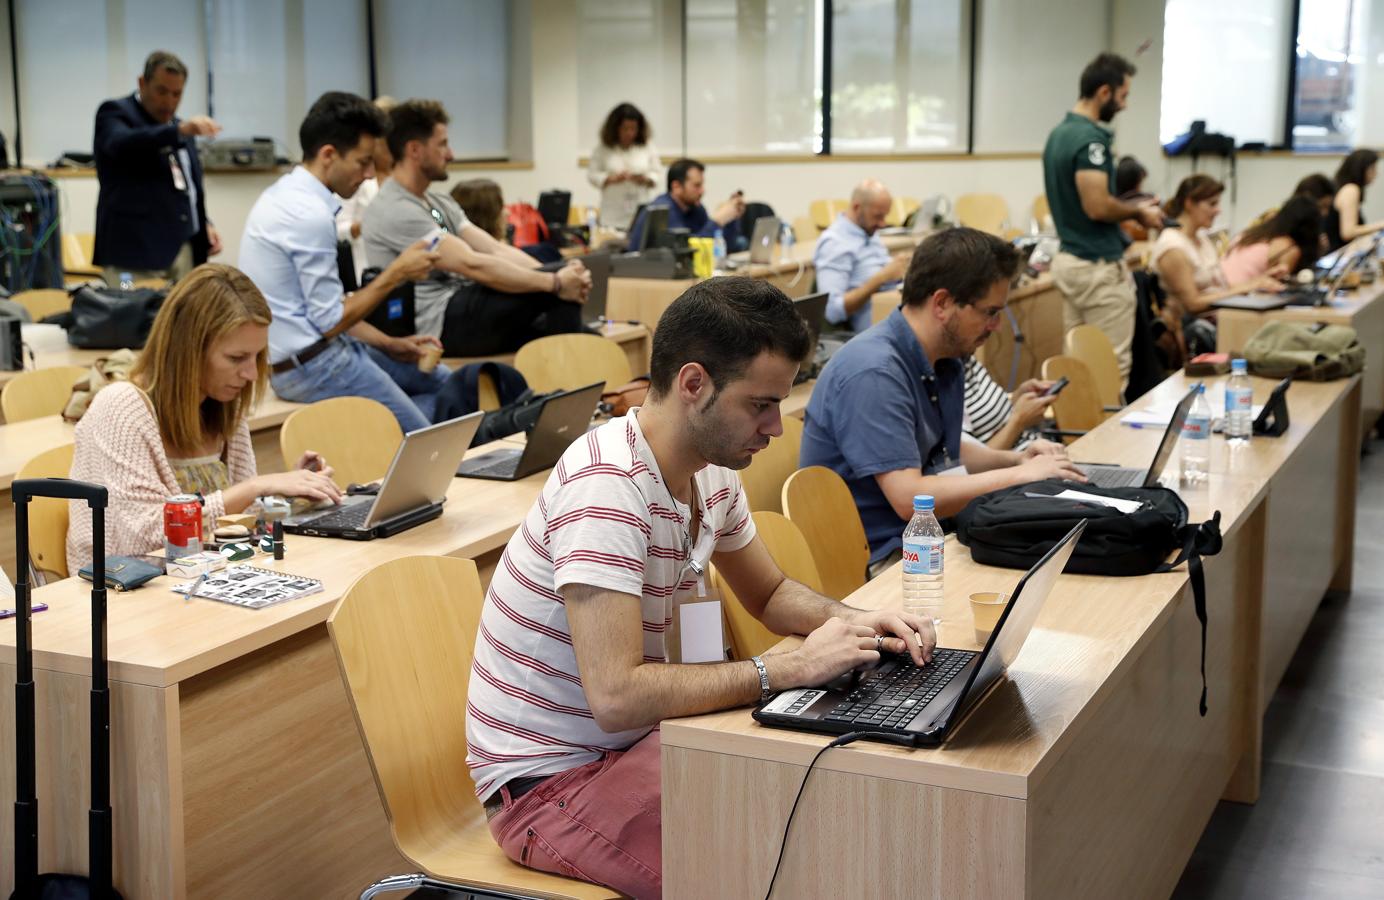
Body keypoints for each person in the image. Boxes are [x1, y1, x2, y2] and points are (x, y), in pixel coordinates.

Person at [465, 276, 937, 898]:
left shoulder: (710, 471)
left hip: (647, 742)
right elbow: (617, 695)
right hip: (553, 785)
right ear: (694, 385)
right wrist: (790, 669)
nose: (775, 425)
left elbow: (767, 594)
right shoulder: (606, 486)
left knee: (830, 811)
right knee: (778, 871)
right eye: (759, 404)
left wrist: (853, 620)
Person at [800, 228, 1084, 573]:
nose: (995, 326)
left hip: (928, 535)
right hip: (883, 557)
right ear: (943, 303)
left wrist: (1014, 459)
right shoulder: (874, 372)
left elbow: (940, 450)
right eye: (989, 312)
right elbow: (909, 499)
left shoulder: (944, 357)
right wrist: (1020, 475)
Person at [65, 265, 342, 572]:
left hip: (202, 579)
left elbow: (236, 522)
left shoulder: (224, 403)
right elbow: (141, 543)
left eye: (256, 356)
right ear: (188, 350)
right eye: (236, 358)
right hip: (127, 591)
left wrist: (290, 498)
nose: (251, 373)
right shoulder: (121, 408)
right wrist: (254, 487)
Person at [238, 92, 444, 433]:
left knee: (440, 381)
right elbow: (329, 320)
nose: (368, 175)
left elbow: (321, 315)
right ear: (328, 155)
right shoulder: (308, 214)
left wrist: (389, 344)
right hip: (313, 366)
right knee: (423, 435)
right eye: (363, 162)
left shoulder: (285, 193)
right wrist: (397, 273)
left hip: (311, 354)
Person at [362, 99, 591, 357]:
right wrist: (554, 282)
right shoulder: (394, 209)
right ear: (414, 150)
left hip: (466, 304)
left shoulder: (438, 202)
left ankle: (573, 382)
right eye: (442, 144)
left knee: (564, 288)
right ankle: (575, 381)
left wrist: (562, 277)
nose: (451, 155)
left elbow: (494, 248)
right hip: (440, 325)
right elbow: (471, 264)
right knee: (558, 288)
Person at [1043, 53, 1163, 388]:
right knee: (1110, 372)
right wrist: (1139, 211)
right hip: (1096, 267)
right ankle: (1106, 441)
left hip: (1071, 261)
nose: (1124, 105)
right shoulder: (1090, 139)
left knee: (1077, 370)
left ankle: (1079, 438)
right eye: (1123, 96)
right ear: (1104, 92)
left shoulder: (1058, 134)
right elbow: (1096, 206)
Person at [93, 50, 222, 285]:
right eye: (162, 91)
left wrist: (204, 222)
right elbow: (121, 143)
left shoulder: (178, 126)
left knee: (184, 321)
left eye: (177, 94)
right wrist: (179, 131)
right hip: (135, 255)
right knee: (134, 322)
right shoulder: (115, 114)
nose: (169, 102)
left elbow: (186, 186)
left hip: (183, 251)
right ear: (143, 83)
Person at [1151, 175, 1285, 319]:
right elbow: (1192, 304)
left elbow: (1221, 290)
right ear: (1189, 203)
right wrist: (1247, 288)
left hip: (1217, 320)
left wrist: (1260, 281)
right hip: (1196, 329)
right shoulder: (1173, 247)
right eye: (1212, 204)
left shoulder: (1201, 239)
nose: (1218, 210)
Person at [813, 178, 910, 334]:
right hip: (877, 330)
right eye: (878, 216)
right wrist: (881, 278)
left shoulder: (869, 232)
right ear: (857, 207)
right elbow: (832, 310)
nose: (883, 224)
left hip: (895, 312)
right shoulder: (835, 243)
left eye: (885, 216)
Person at [335, 96, 396, 287]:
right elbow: (336, 231)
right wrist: (362, 225)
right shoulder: (355, 177)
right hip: (365, 276)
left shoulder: (403, 174)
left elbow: (434, 216)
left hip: (402, 272)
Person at [626, 158, 745, 252]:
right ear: (676, 187)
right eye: (697, 185)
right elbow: (687, 250)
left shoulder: (696, 209)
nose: (702, 191)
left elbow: (726, 247)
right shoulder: (663, 209)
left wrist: (731, 219)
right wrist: (717, 220)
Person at [587, 102, 662, 228]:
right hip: (612, 214)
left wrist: (645, 179)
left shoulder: (647, 146)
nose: (629, 133)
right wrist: (610, 178)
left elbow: (657, 174)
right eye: (625, 128)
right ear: (615, 128)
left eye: (633, 128)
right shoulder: (604, 148)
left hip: (639, 210)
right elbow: (592, 175)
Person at [1220, 194, 1323, 286]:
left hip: (1219, 292)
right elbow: (1280, 287)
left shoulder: (1250, 234)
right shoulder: (1289, 248)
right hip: (1238, 298)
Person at [963, 359, 1056, 451]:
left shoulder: (968, 360)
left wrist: (1018, 397)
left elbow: (993, 417)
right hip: (1017, 461)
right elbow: (978, 462)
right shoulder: (951, 389)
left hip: (1035, 445)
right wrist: (1019, 421)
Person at [1325, 149, 1383, 250]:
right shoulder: (1351, 190)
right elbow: (1348, 232)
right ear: (1361, 169)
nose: (1376, 174)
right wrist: (1380, 225)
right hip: (1339, 255)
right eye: (1372, 169)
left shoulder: (1345, 187)